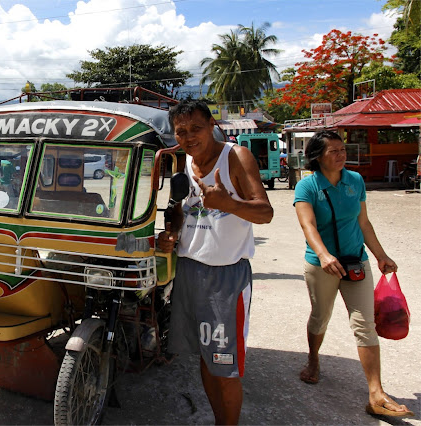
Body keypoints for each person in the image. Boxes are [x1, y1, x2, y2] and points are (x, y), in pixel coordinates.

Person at [158, 100, 273, 425]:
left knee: (225, 366)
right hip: (189, 272)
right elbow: (180, 211)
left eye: (196, 128)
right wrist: (172, 233)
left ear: (212, 125)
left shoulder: (235, 156)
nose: (189, 137)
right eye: (182, 132)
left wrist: (228, 203)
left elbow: (265, 213)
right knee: (207, 361)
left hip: (226, 278)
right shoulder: (184, 162)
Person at [293, 130, 413, 418]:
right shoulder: (307, 187)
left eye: (342, 149)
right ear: (317, 157)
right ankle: (313, 360)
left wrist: (381, 255)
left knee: (365, 324)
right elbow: (308, 225)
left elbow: (363, 222)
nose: (341, 155)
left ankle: (376, 393)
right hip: (322, 264)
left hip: (355, 262)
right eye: (333, 151)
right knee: (320, 316)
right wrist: (323, 255)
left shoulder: (355, 181)